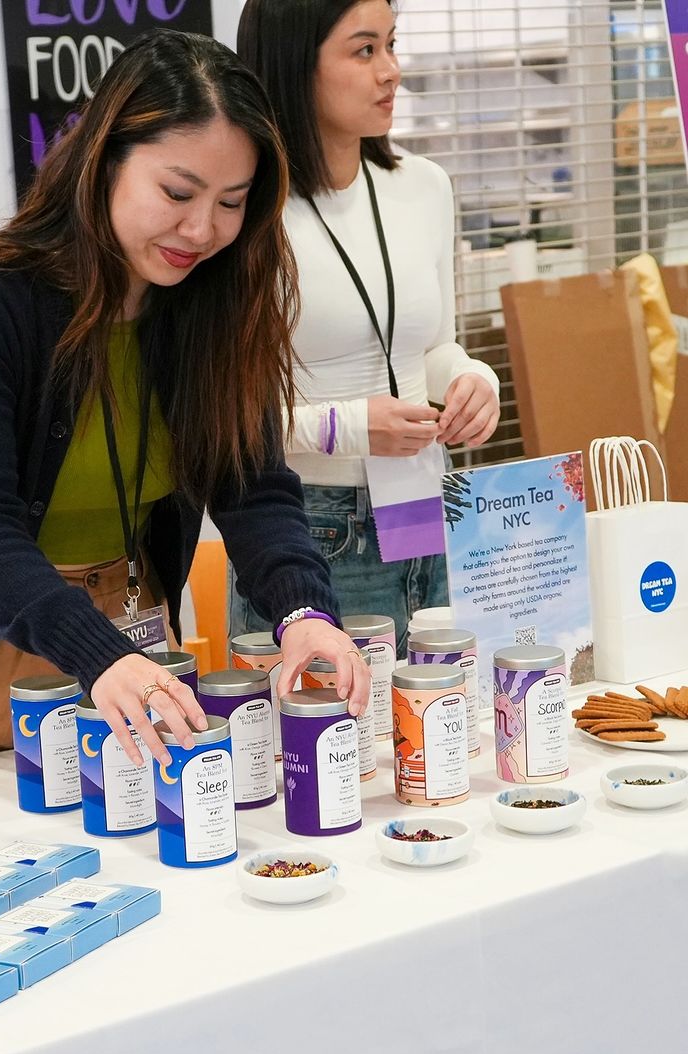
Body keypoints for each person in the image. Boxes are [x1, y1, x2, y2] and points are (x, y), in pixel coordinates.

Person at [0, 29, 370, 775]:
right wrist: (94, 652)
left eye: (230, 202)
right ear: (105, 158)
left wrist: (303, 613)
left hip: (128, 637)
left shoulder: (214, 303)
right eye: (176, 193)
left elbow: (254, 486)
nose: (201, 230)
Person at [234, 0, 501, 655]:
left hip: (425, 507)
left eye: (392, 44)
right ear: (297, 64)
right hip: (306, 526)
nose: (392, 72)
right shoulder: (243, 210)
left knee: (438, 732)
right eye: (364, 50)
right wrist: (353, 425)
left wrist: (472, 378)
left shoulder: (423, 186)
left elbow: (433, 344)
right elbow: (226, 416)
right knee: (322, 748)